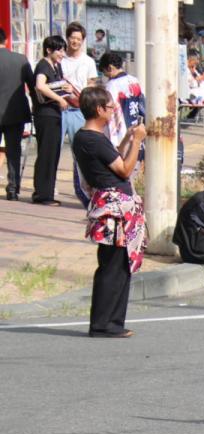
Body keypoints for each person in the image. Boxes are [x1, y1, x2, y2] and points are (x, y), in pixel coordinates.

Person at [73, 85, 146, 338]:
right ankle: (105, 324)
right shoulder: (94, 139)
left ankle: (111, 322)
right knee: (114, 266)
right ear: (98, 109)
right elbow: (124, 170)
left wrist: (127, 138)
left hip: (108, 206)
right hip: (115, 209)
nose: (114, 109)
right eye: (110, 106)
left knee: (114, 265)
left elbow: (112, 158)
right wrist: (137, 140)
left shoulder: (86, 137)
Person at [30, 35, 70, 205]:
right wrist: (60, 99)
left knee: (52, 153)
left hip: (54, 114)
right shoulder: (43, 65)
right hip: (46, 114)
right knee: (46, 153)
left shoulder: (56, 66)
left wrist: (64, 88)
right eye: (59, 50)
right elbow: (40, 85)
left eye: (63, 50)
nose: (62, 54)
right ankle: (42, 194)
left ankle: (46, 191)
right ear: (48, 50)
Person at [62, 21, 97, 206]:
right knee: (52, 152)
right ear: (67, 38)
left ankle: (86, 191)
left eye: (78, 39)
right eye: (72, 38)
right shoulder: (60, 59)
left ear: (83, 41)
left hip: (79, 111)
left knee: (81, 153)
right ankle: (47, 191)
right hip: (60, 109)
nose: (75, 41)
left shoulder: (88, 61)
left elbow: (92, 84)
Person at [0, 26, 32, 201]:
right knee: (14, 151)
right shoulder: (21, 60)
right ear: (5, 40)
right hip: (15, 113)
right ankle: (13, 189)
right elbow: (33, 86)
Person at [98, 52, 145, 152]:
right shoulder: (134, 80)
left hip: (121, 134)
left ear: (110, 68)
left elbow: (110, 111)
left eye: (104, 72)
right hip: (135, 127)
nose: (106, 76)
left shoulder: (112, 85)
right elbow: (142, 106)